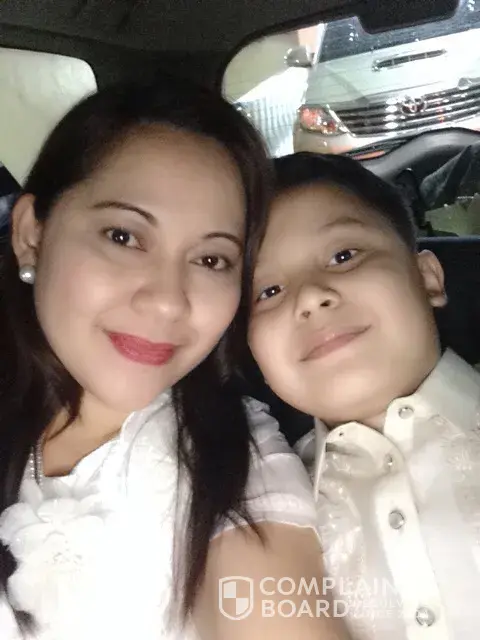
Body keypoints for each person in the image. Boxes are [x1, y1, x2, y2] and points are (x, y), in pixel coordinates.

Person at [0, 85, 349, 640]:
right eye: (123, 236)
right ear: (31, 236)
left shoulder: (235, 463)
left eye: (211, 259)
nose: (168, 301)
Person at [248, 151, 480, 640]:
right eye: (267, 291)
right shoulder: (264, 517)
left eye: (343, 256)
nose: (310, 297)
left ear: (427, 277)